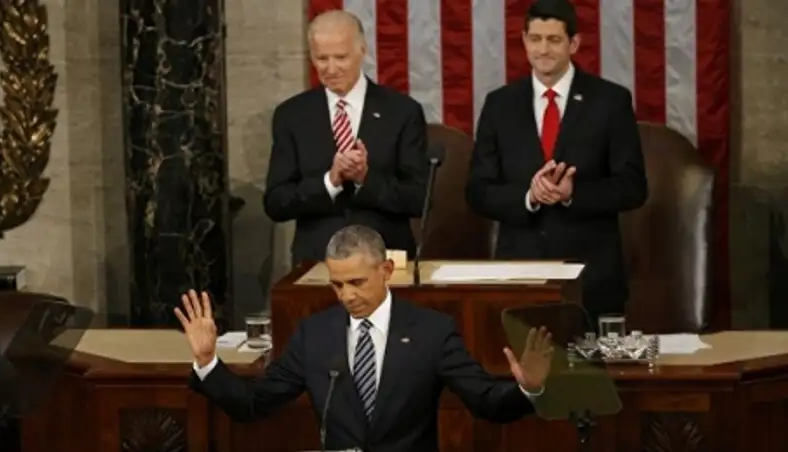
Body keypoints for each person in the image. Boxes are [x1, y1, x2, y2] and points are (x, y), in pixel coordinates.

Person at [176, 225, 553, 451]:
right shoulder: (315, 334)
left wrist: (529, 389)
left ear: (386, 270)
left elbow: (486, 402)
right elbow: (254, 404)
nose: (347, 296)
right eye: (337, 285)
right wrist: (208, 362)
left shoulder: (431, 332)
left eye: (357, 282)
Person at [465, 0, 647, 326]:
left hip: (592, 279)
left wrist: (573, 193)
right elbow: (478, 191)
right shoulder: (499, 104)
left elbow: (633, 186)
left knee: (590, 362)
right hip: (519, 278)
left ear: (573, 43)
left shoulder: (610, 101)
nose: (543, 50)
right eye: (535, 39)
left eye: (554, 40)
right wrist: (529, 196)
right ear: (524, 40)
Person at [263, 10, 429, 266]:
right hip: (317, 262)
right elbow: (276, 203)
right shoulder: (292, 115)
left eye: (340, 57)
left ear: (362, 51)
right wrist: (329, 182)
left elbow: (419, 199)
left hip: (385, 260)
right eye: (322, 58)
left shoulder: (402, 112)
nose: (331, 69)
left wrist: (365, 178)